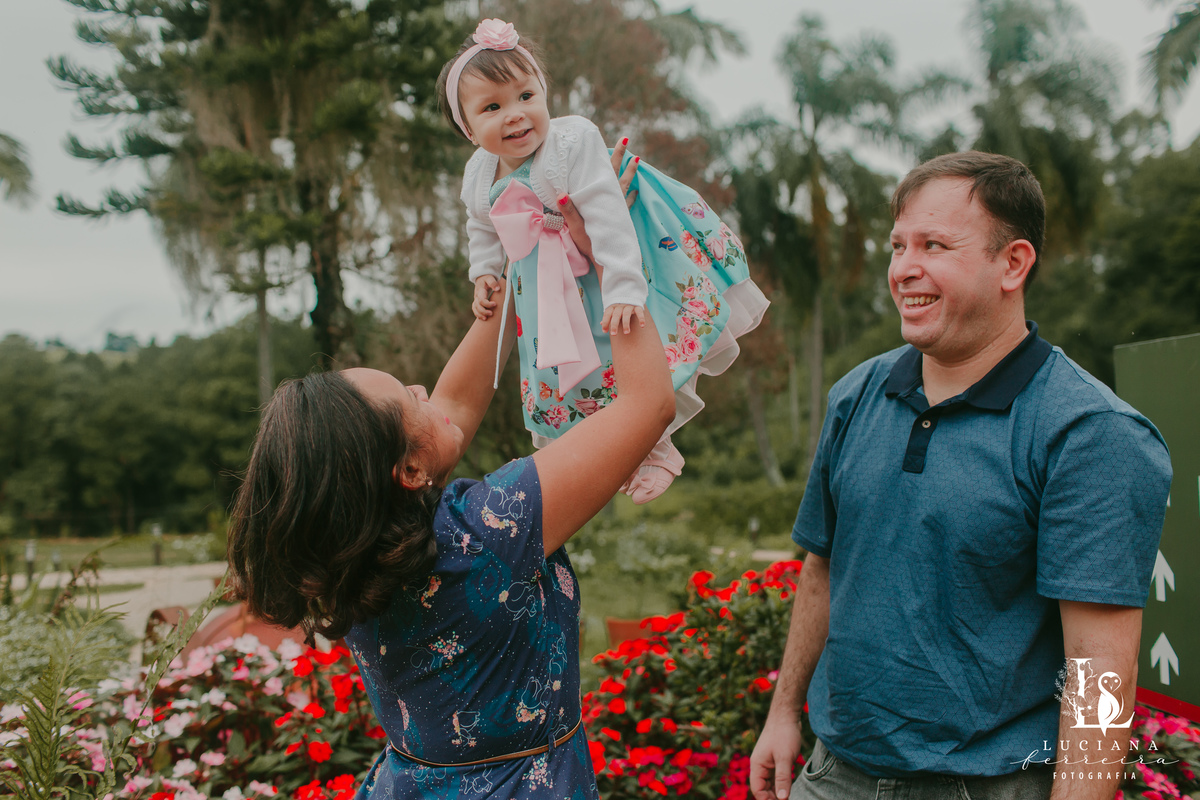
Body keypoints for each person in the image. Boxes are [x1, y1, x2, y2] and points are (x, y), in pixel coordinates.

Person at [225, 164, 675, 798]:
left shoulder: (346, 551)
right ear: (407, 471)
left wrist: (519, 263)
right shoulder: (494, 526)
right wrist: (609, 250)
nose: (424, 389)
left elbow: (454, 410)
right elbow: (647, 405)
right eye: (411, 397)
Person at [749, 151, 1172, 800]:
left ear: (1013, 263)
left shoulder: (1089, 433)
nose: (903, 269)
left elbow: (1099, 675)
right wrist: (784, 711)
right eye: (897, 245)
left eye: (934, 245)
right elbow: (824, 568)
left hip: (985, 786)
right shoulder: (857, 395)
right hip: (831, 775)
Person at [436, 18, 768, 504]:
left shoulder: (570, 142)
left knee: (620, 358)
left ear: (544, 93)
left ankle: (658, 446)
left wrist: (624, 288)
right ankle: (609, 453)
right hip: (543, 286)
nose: (515, 115)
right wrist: (484, 272)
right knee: (573, 375)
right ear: (468, 128)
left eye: (526, 96)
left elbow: (609, 215)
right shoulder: (477, 174)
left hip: (598, 270)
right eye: (492, 107)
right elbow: (482, 225)